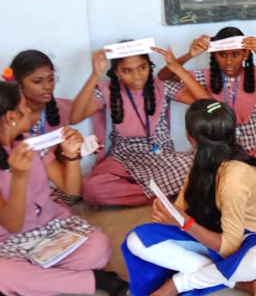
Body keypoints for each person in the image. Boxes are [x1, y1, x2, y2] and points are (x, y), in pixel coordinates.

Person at [122, 99, 256, 296]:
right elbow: (182, 209)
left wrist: (183, 222)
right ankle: (235, 281)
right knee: (136, 240)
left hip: (244, 239)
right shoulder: (201, 162)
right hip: (207, 230)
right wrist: (169, 215)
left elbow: (230, 248)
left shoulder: (235, 176)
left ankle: (180, 283)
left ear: (189, 138)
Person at [0, 82, 128, 296]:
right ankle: (94, 280)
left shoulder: (32, 143)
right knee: (4, 274)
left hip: (52, 228)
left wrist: (71, 156)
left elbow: (71, 190)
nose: (30, 111)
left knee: (99, 246)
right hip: (10, 243)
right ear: (11, 117)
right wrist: (20, 177)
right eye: (24, 108)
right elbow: (12, 225)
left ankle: (37, 282)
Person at [158, 27, 256, 191]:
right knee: (202, 175)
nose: (229, 61)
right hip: (220, 146)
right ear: (214, 55)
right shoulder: (205, 76)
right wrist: (190, 54)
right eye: (222, 55)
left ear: (245, 54)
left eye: (235, 54)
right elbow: (163, 77)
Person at [69, 44, 209, 207]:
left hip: (160, 155)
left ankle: (155, 192)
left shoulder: (162, 86)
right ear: (117, 73)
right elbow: (74, 118)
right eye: (127, 71)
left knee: (200, 167)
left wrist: (178, 69)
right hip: (123, 156)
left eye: (142, 68)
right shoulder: (108, 89)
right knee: (91, 189)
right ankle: (166, 193)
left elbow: (208, 104)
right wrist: (95, 75)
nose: (137, 76)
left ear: (149, 66)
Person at [7, 50, 78, 204]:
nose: (47, 87)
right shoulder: (8, 122)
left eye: (51, 79)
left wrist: (76, 152)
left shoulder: (62, 108)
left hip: (46, 181)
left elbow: (71, 189)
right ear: (19, 85)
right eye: (37, 81)